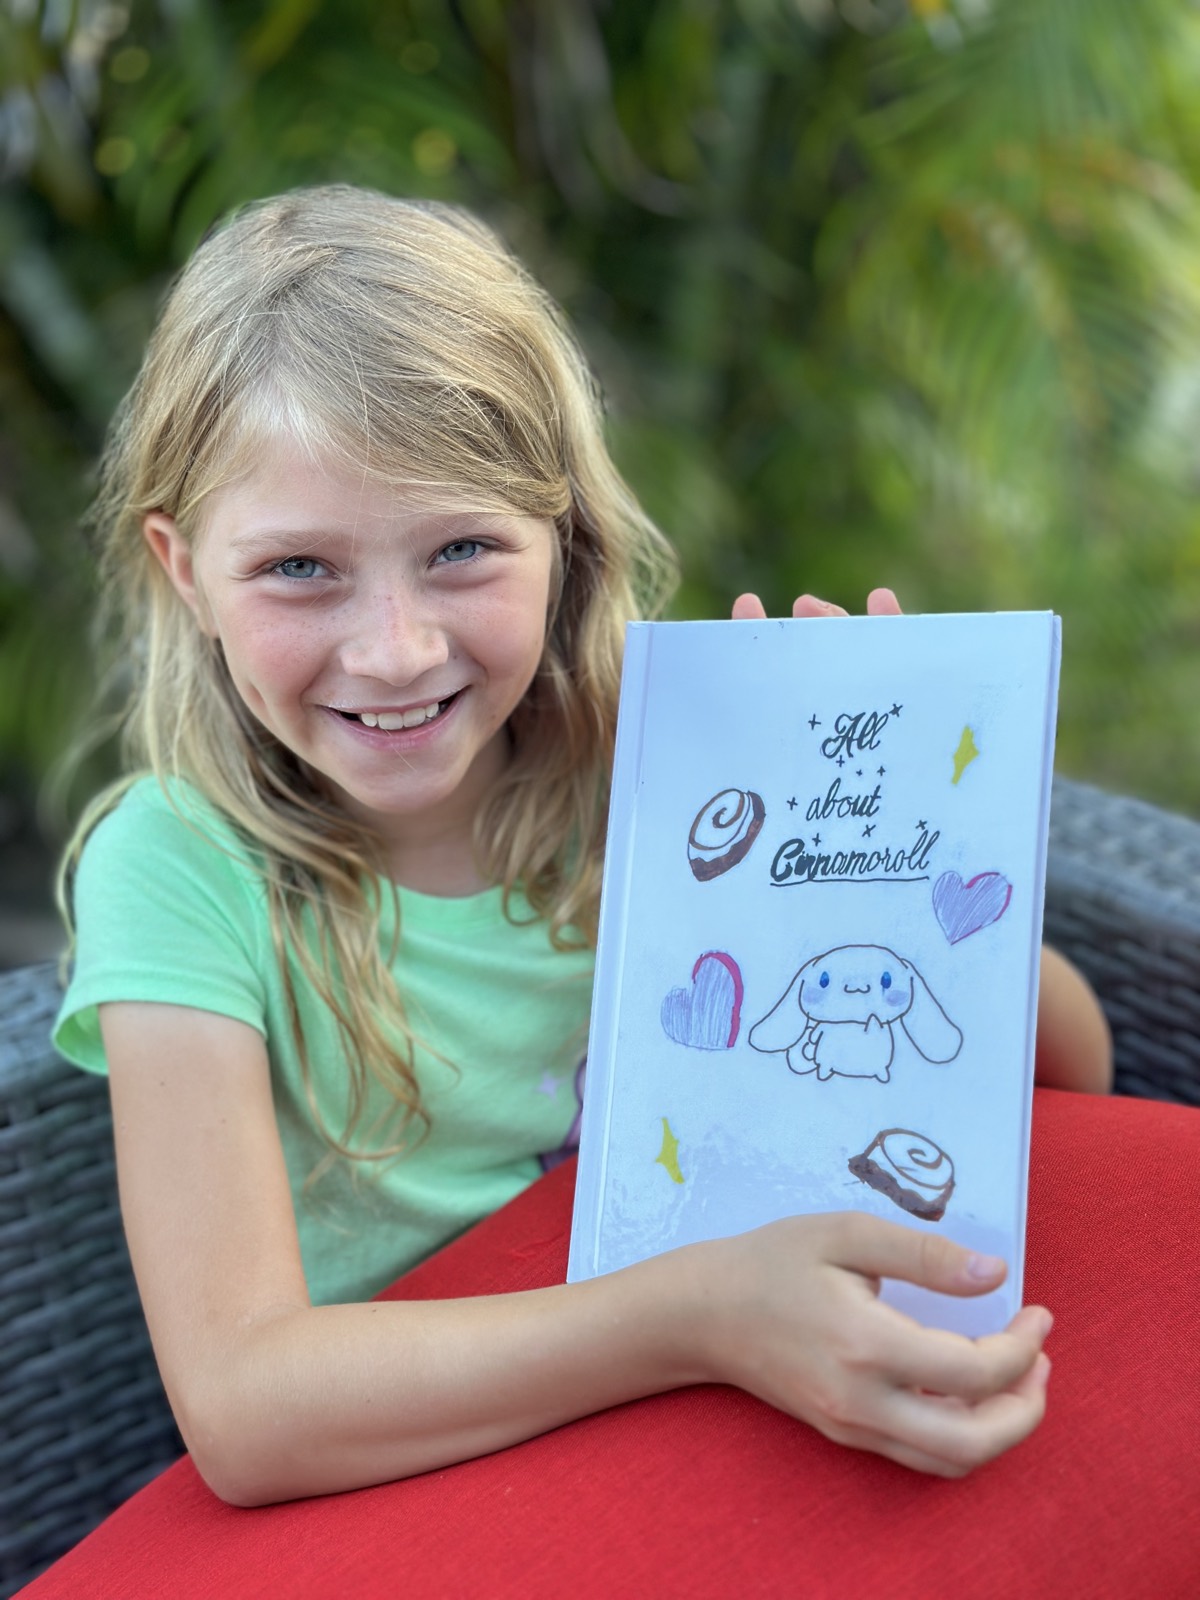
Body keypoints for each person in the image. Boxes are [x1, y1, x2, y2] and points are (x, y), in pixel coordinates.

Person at [54, 184, 1112, 1511]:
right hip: (427, 1472)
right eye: (299, 571)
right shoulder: (173, 865)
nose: (395, 648)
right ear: (183, 570)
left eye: (459, 550)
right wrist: (695, 1316)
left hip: (728, 1395)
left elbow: (1073, 1064)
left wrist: (887, 862)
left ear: (565, 543)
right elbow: (244, 1410)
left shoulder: (679, 782)